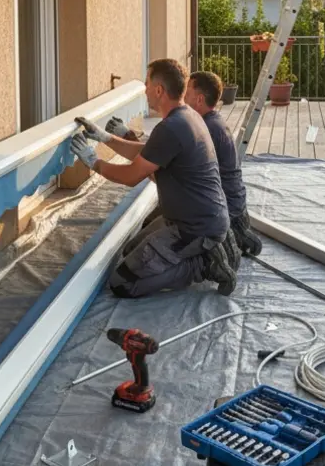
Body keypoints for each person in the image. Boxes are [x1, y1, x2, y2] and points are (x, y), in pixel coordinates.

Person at [70, 59, 238, 297]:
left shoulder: (173, 126)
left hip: (194, 228)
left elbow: (131, 176)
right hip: (192, 218)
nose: (145, 90)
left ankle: (203, 265)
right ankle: (199, 255)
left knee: (122, 283)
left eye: (147, 83)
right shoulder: (186, 116)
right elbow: (146, 154)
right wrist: (105, 138)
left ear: (159, 90)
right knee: (130, 251)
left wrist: (94, 162)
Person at [184, 71, 264, 260]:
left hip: (226, 206)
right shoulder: (210, 120)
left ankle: (237, 237)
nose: (182, 97)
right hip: (231, 200)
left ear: (199, 99)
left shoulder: (207, 129)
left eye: (187, 93)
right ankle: (239, 233)